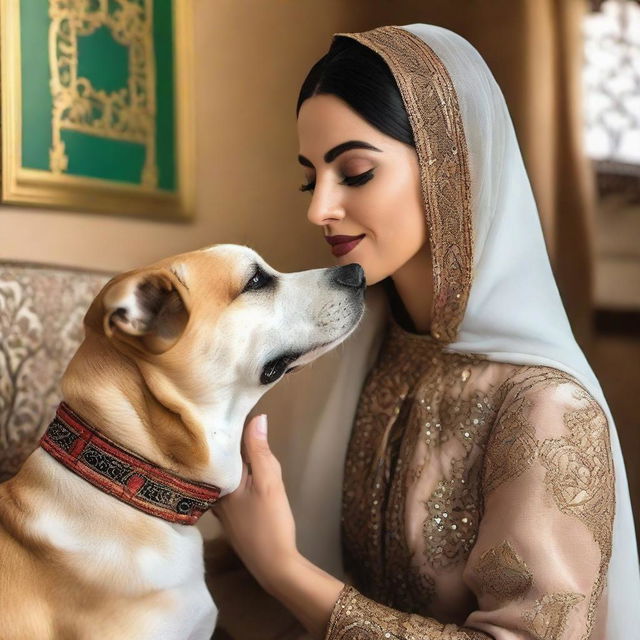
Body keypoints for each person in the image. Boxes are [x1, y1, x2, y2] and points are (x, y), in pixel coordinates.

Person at [211, 24, 640, 639]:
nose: (318, 209)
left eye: (355, 172)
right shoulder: (347, 356)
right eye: (311, 178)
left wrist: (284, 570)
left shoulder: (547, 406)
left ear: (450, 174)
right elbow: (237, 563)